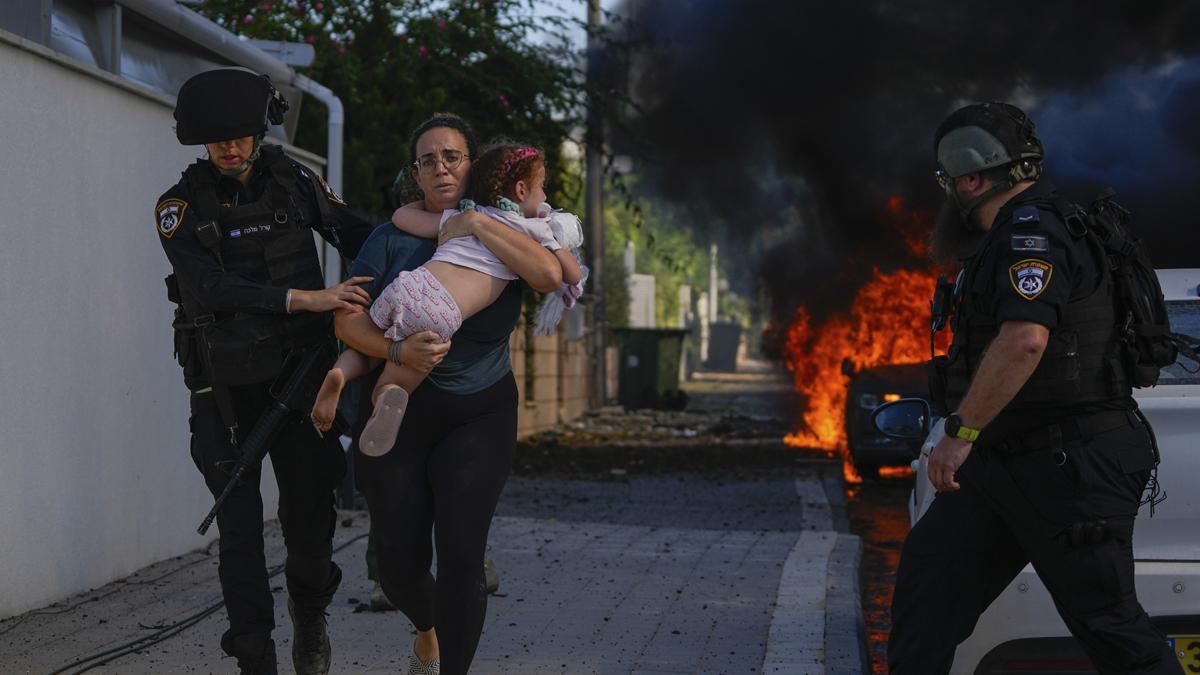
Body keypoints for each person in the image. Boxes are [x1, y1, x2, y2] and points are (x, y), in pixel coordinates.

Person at [888, 101, 1182, 674]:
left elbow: (1025, 339)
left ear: (974, 179)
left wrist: (961, 431)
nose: (947, 194)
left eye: (949, 181)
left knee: (1110, 627)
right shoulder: (1009, 236)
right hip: (1003, 467)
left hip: (1070, 465)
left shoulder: (1033, 233)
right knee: (928, 598)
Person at [156, 68, 374, 675]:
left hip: (303, 380)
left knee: (310, 517)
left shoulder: (295, 181)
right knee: (241, 527)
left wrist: (432, 248)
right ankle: (254, 652)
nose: (230, 146)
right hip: (224, 390)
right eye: (218, 137)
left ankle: (310, 615)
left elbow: (354, 233)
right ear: (201, 140)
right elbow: (209, 285)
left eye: (242, 134)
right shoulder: (178, 207)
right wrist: (304, 300)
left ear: (259, 131)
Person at [334, 114, 563, 675]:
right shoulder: (389, 239)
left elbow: (549, 274)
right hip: (400, 411)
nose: (440, 167)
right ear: (415, 173)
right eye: (428, 159)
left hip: (478, 412)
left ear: (473, 164)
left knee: (462, 556)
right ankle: (427, 631)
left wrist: (478, 228)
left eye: (452, 156)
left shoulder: (506, 229)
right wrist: (396, 354)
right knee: (398, 567)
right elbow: (346, 319)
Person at [310, 143, 584, 455]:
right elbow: (570, 275)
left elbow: (403, 217)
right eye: (542, 189)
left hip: (410, 285)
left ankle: (340, 373)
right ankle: (387, 394)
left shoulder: (465, 215)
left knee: (371, 342)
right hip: (441, 311)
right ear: (521, 190)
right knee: (399, 375)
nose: (545, 197)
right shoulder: (533, 231)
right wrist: (560, 245)